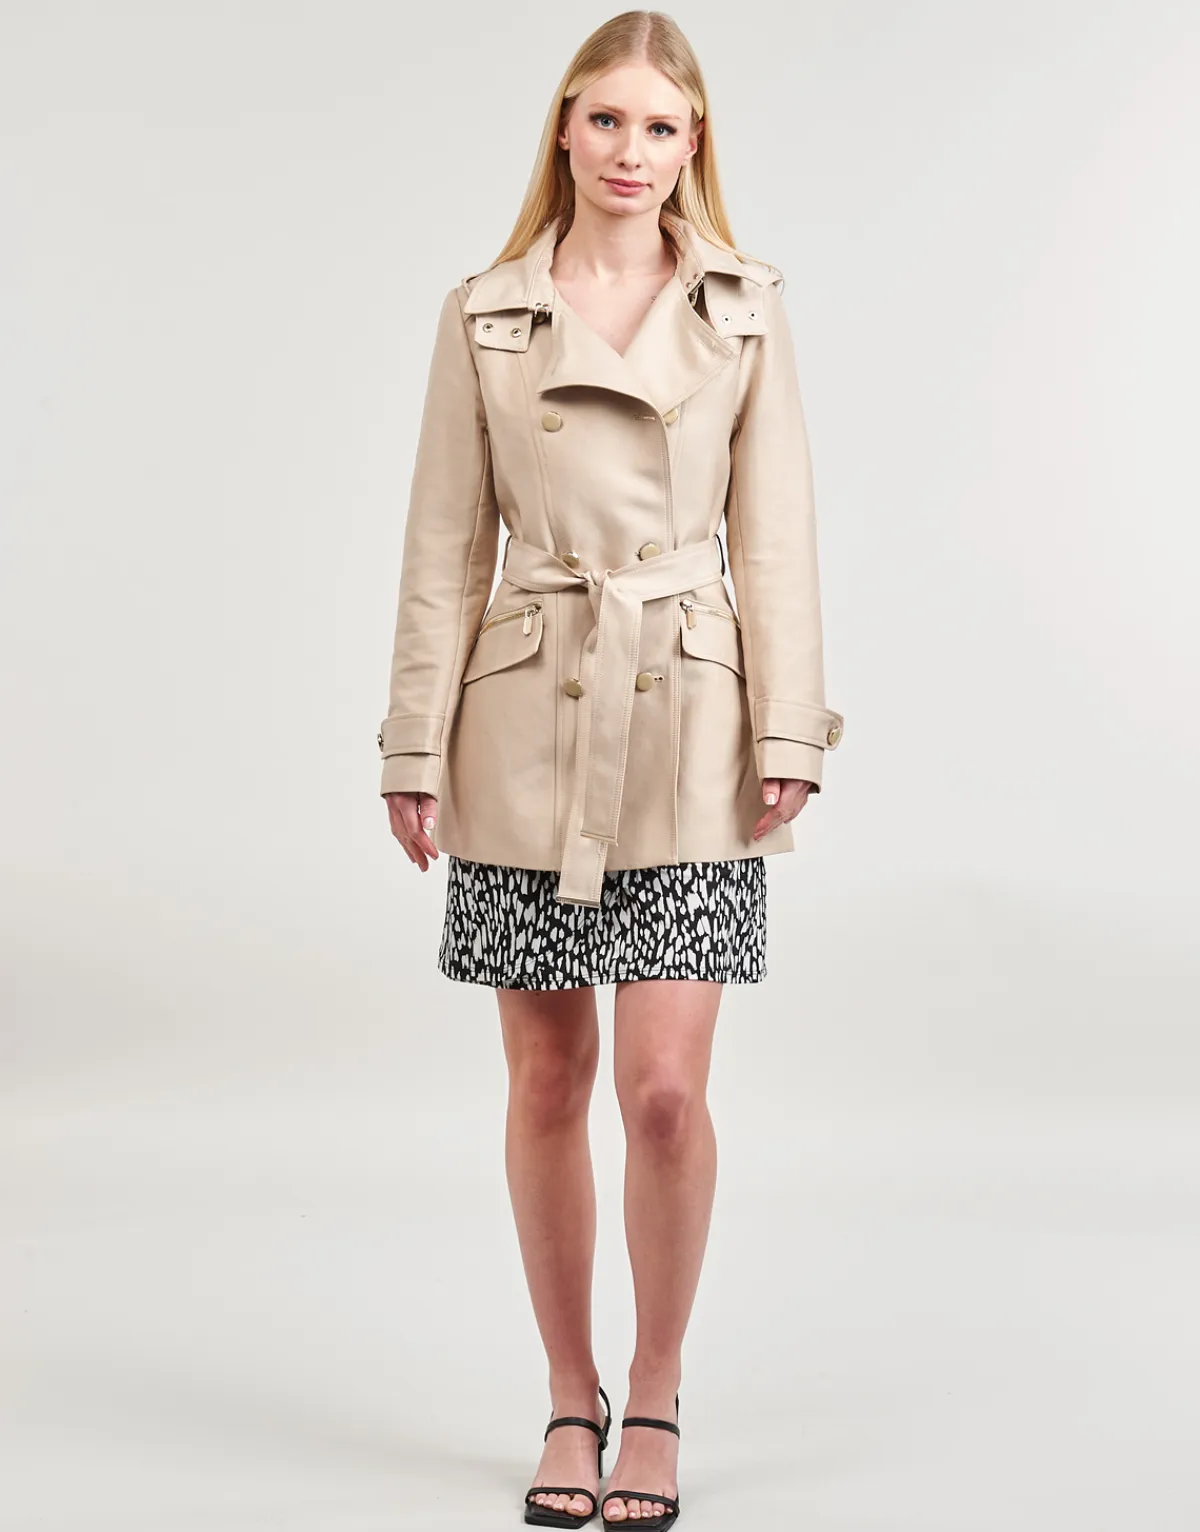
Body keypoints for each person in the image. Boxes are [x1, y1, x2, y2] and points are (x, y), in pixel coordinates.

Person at [376, 10, 845, 1527]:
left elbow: (776, 534)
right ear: (564, 130)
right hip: (527, 718)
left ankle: (656, 1388)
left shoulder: (747, 310)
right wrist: (411, 741)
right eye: (606, 120)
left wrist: (790, 726)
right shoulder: (487, 314)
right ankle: (567, 1397)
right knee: (546, 1080)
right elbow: (445, 545)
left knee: (659, 1094)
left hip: (692, 719)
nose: (631, 152)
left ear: (694, 142)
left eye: (660, 126)